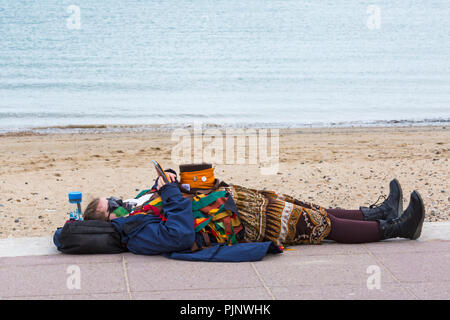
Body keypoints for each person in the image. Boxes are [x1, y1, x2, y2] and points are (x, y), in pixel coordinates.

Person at [81, 164, 425, 254]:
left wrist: (166, 181)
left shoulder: (137, 208)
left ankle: (378, 214)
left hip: (236, 203)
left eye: (113, 197)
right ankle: (396, 229)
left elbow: (169, 201)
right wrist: (170, 193)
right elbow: (180, 232)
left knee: (307, 207)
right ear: (108, 218)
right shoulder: (136, 234)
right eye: (112, 205)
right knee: (316, 225)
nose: (118, 201)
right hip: (240, 226)